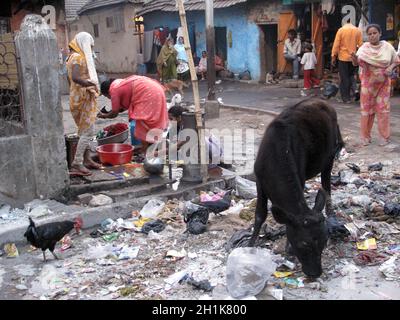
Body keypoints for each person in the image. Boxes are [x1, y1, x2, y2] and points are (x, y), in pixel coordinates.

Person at [351, 24, 400, 146]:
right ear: (367, 36)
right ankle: (365, 137)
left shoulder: (387, 47)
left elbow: (396, 61)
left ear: (380, 33)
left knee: (383, 110)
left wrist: (391, 67)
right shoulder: (363, 48)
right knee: (366, 111)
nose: (372, 36)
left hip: (384, 84)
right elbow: (356, 63)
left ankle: (384, 137)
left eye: (374, 33)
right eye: (370, 34)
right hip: (368, 86)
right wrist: (353, 58)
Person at [98, 75, 169, 153]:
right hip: (156, 90)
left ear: (107, 92)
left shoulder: (114, 90)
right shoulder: (119, 82)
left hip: (149, 93)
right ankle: (155, 147)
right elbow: (122, 107)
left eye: (107, 96)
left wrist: (103, 116)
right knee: (153, 121)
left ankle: (146, 151)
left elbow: (114, 113)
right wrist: (110, 112)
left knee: (142, 122)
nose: (108, 98)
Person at [66, 32, 101, 176]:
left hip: (77, 97)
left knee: (83, 131)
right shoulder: (78, 58)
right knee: (88, 132)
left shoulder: (71, 57)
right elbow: (75, 77)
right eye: (90, 46)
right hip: (82, 98)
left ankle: (87, 160)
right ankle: (77, 162)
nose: (91, 49)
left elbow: (70, 80)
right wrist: (90, 83)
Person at [331, 21, 363, 103]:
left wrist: (333, 56)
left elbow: (336, 44)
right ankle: (355, 91)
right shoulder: (357, 30)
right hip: (353, 58)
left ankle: (346, 98)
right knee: (352, 76)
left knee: (344, 77)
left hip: (343, 58)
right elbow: (361, 45)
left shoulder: (341, 30)